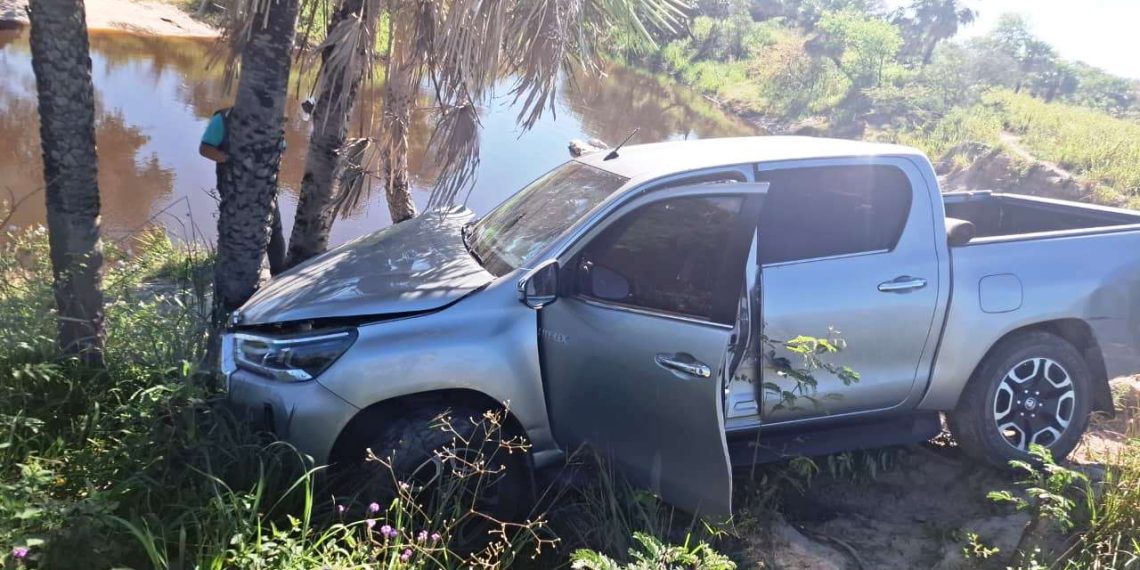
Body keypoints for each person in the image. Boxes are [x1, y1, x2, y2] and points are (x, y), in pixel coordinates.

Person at [200, 107, 287, 275]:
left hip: (265, 188)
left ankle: (278, 274)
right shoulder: (224, 119)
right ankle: (236, 275)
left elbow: (282, 148)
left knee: (274, 231)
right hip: (234, 190)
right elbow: (205, 149)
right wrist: (231, 160)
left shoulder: (272, 119)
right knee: (237, 232)